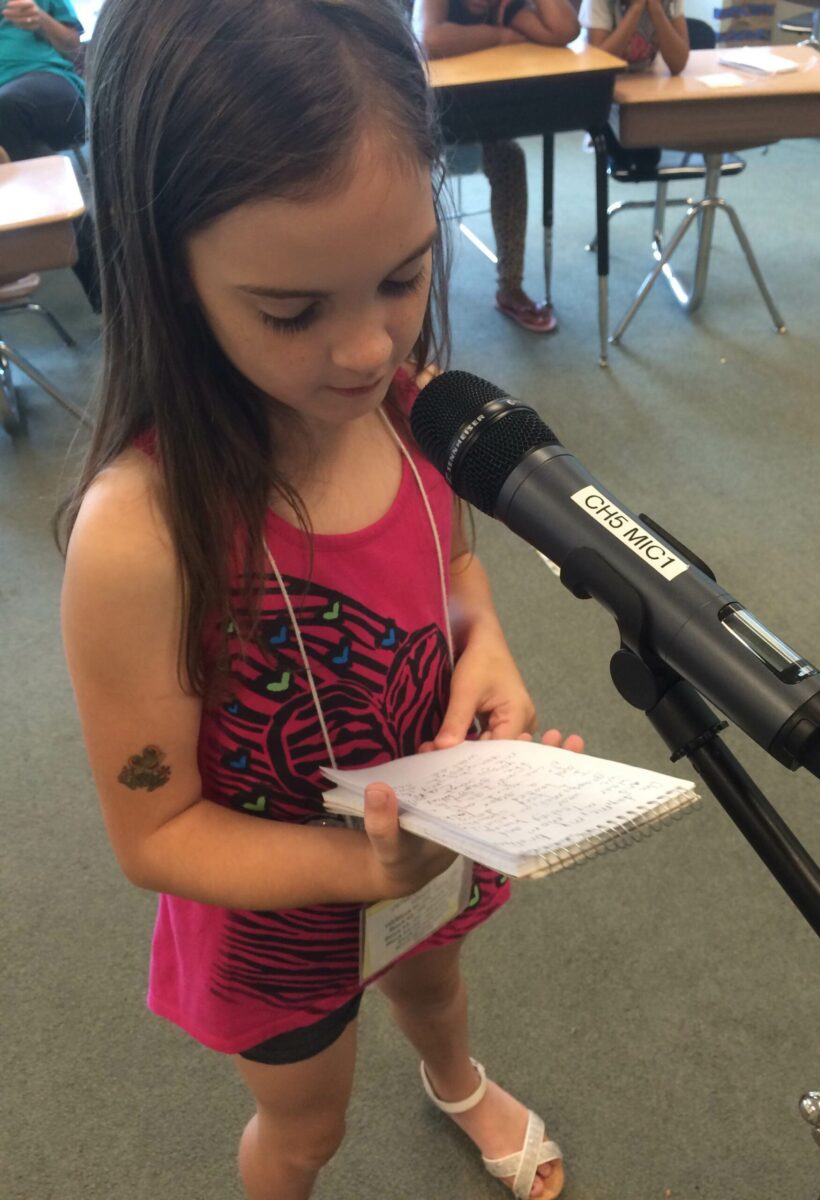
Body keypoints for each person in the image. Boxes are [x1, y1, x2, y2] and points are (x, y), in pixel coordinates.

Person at [58, 2, 583, 1199]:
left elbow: (451, 569)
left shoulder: (413, 412)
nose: (366, 350)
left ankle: (454, 1079)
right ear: (166, 270)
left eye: (403, 277)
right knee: (305, 1130)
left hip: (421, 831)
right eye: (292, 311)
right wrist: (356, 877)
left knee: (434, 979)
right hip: (273, 909)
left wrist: (485, 645)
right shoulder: (139, 536)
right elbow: (156, 834)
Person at [414, 0, 580, 334]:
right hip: (421, 124)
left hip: (480, 120)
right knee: (408, 174)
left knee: (509, 160)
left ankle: (510, 287)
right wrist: (500, 36)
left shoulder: (508, 6)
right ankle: (408, 289)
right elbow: (430, 38)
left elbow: (565, 30)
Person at [0, 0, 99, 309]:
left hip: (50, 86)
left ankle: (93, 273)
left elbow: (72, 46)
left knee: (6, 110)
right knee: (23, 142)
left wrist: (39, 18)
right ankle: (98, 272)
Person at [579, 0, 689, 174]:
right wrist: (636, 8)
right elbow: (600, 63)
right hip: (606, 92)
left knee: (648, 159)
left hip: (647, 92)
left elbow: (678, 63)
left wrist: (655, 8)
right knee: (621, 158)